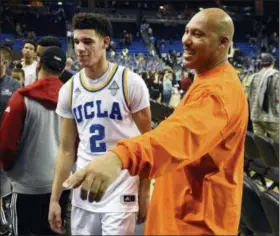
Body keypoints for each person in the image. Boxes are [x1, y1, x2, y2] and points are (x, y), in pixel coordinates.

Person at [63, 8, 249, 235]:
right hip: (183, 212)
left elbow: (179, 136)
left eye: (198, 34)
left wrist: (119, 157)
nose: (186, 40)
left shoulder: (218, 92)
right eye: (186, 32)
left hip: (195, 222)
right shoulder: (208, 80)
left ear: (222, 43)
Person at [48, 13, 151, 235]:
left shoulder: (130, 82)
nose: (80, 48)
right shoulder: (68, 90)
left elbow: (148, 143)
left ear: (105, 42)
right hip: (84, 191)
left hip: (121, 188)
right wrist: (55, 199)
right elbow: (66, 150)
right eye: (76, 41)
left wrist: (144, 191)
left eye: (87, 41)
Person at [0, 47, 69, 235]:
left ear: (39, 64)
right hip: (59, 186)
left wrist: (9, 170)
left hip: (25, 186)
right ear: (62, 71)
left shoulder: (21, 98)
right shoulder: (72, 100)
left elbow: (6, 146)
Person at [0, 45, 21, 235]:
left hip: (6, 143)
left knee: (6, 188)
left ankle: (7, 224)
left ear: (4, 63)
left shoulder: (14, 86)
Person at [248, 53, 279, 141]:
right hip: (272, 117)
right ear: (272, 63)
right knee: (278, 145)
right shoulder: (276, 75)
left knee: (261, 146)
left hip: (256, 116)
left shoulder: (253, 77)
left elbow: (249, 97)